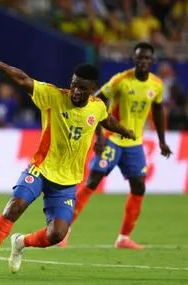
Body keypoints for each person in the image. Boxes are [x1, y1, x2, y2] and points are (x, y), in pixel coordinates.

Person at [0, 53, 135, 276]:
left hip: (67, 181)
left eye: (82, 88)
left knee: (57, 234)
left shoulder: (97, 107)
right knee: (14, 206)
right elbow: (22, 78)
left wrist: (124, 130)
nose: (76, 91)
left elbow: (106, 120)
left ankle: (20, 243)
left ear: (92, 88)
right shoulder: (53, 96)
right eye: (74, 85)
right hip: (41, 169)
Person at [58, 42, 172, 249]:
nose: (143, 61)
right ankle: (64, 230)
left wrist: (162, 140)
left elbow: (156, 110)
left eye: (147, 58)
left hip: (134, 143)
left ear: (152, 61)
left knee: (139, 187)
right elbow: (95, 101)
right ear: (134, 59)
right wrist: (99, 134)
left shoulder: (156, 85)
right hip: (112, 139)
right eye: (140, 58)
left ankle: (124, 238)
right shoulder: (120, 80)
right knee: (92, 180)